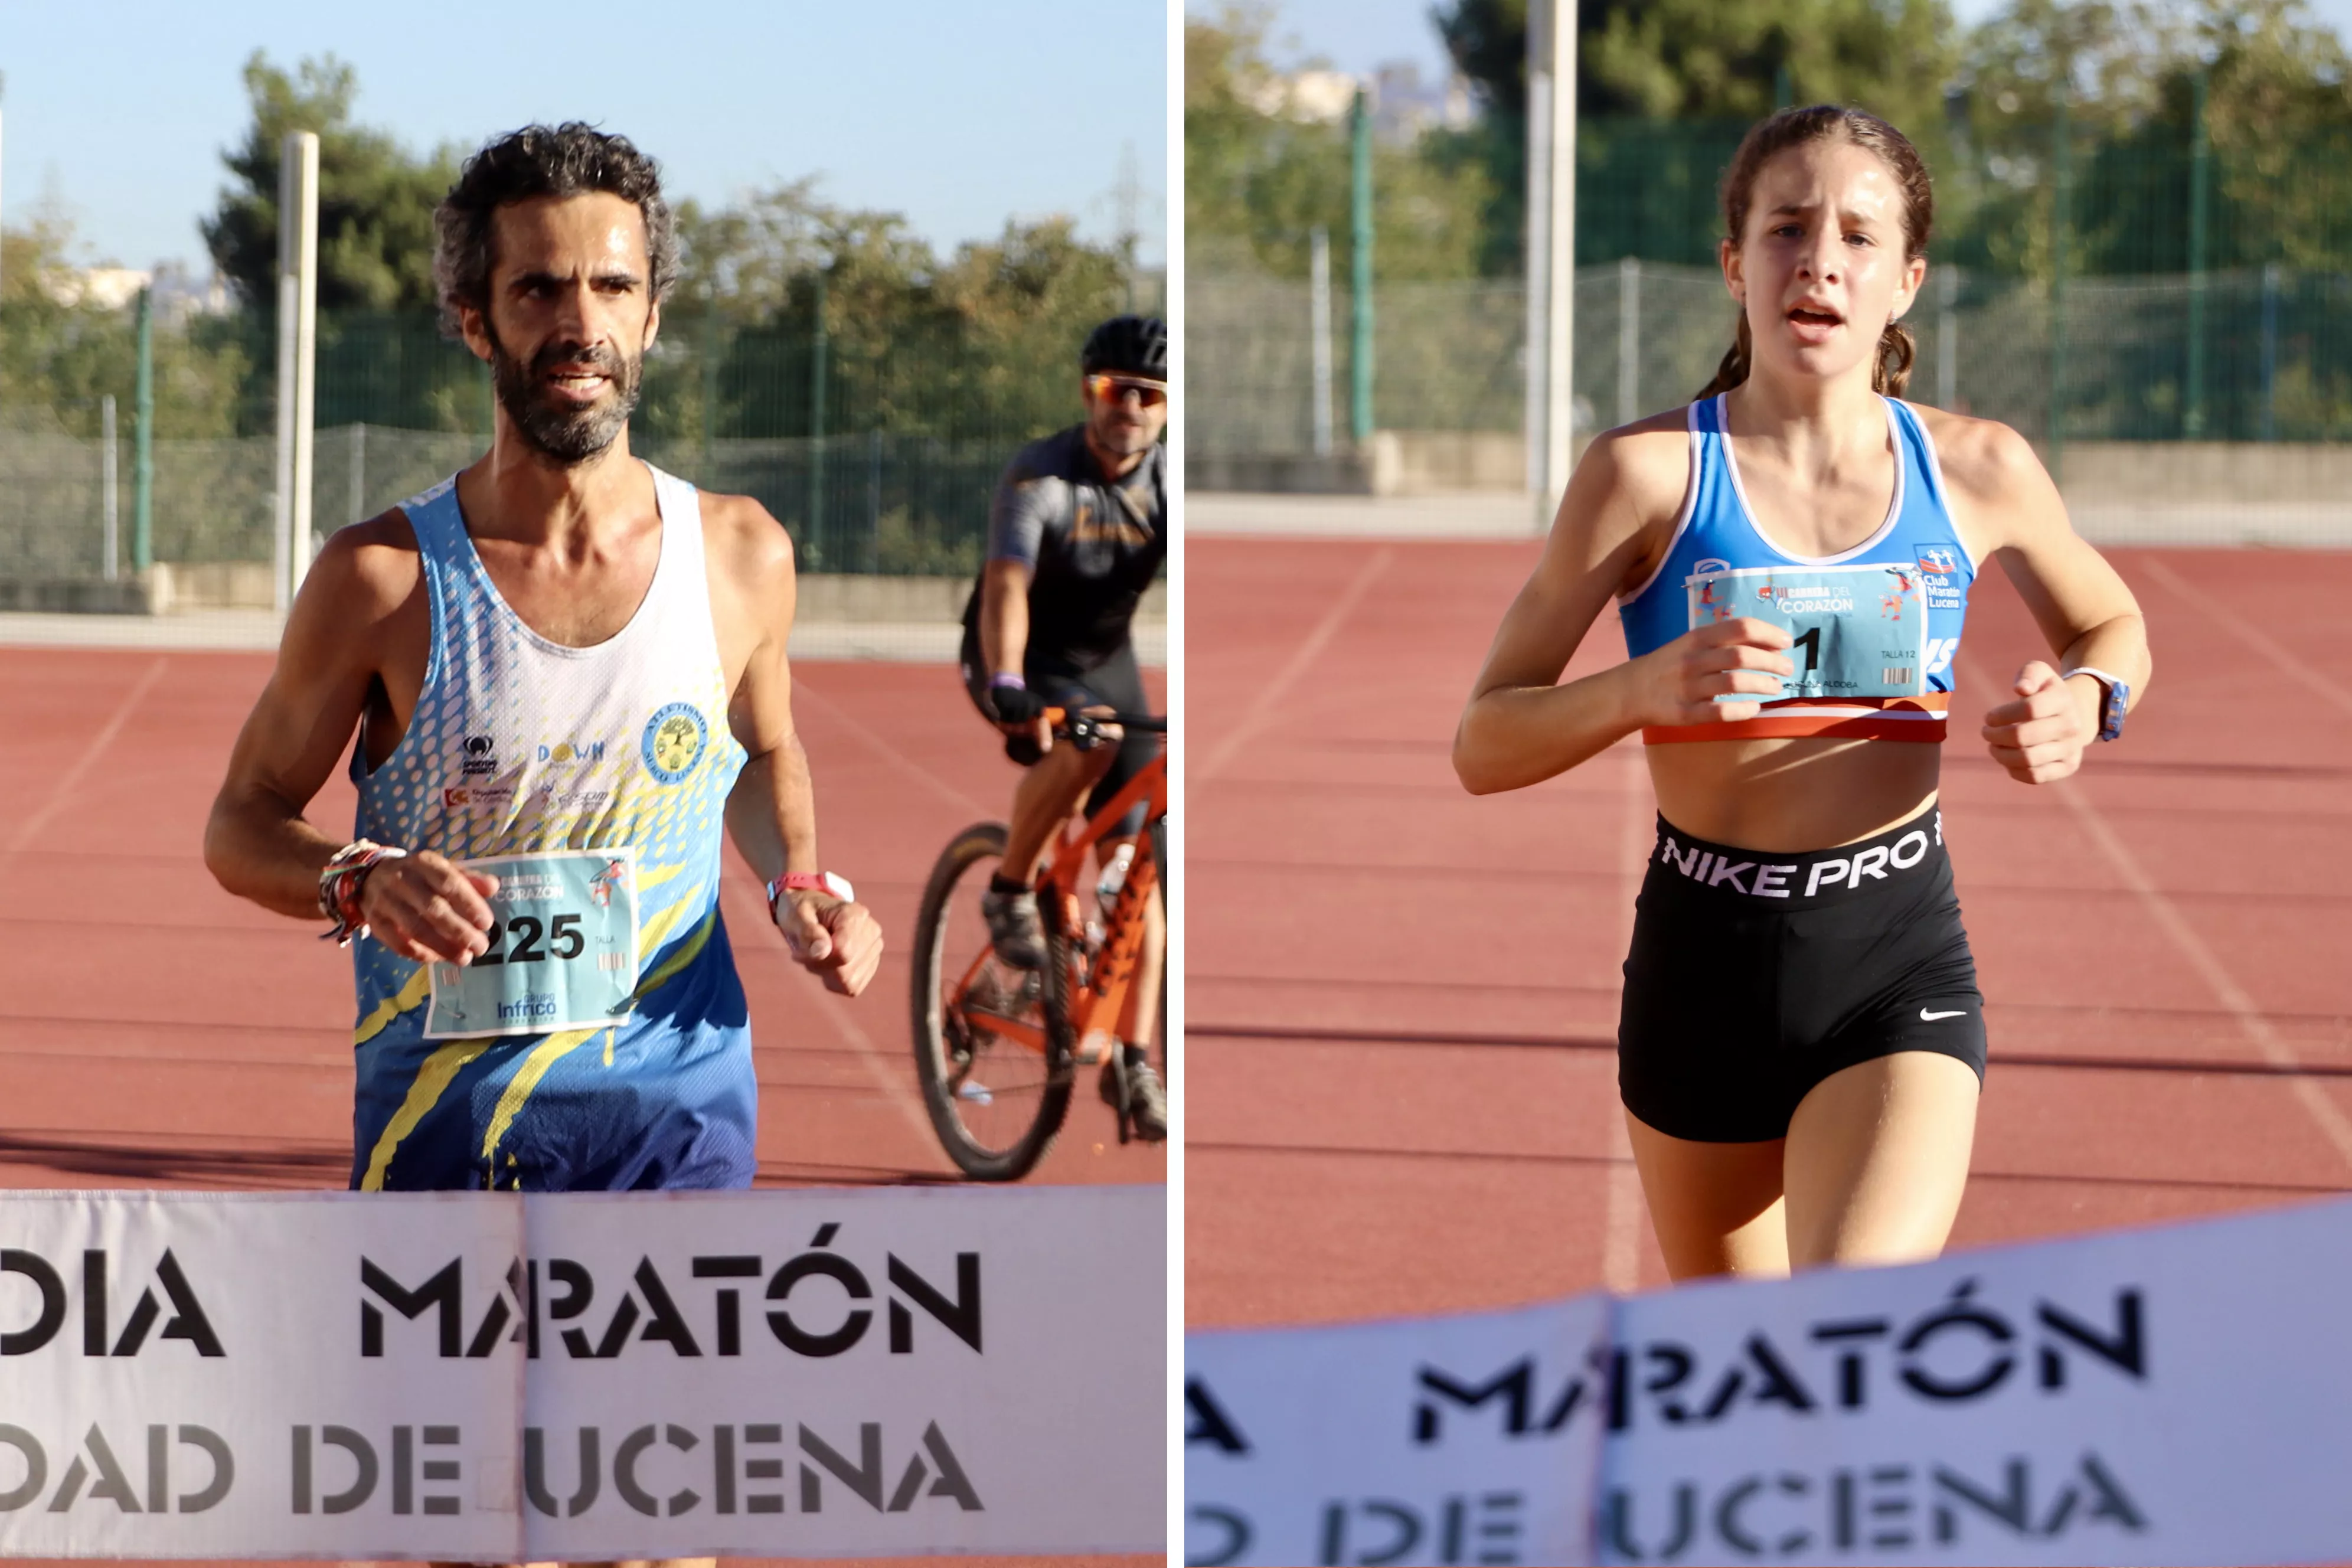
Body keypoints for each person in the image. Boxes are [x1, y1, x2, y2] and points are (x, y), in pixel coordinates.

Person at [1453, 106, 2151, 1280]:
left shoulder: (1978, 468)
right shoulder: (1647, 475)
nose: (1820, 258)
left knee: (1848, 1323)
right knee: (1745, 1385)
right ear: (1736, 265)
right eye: (1786, 228)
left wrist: (2089, 698)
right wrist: (1645, 686)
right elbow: (1486, 739)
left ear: (1907, 282)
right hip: (1701, 961)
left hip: (1893, 952)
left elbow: (2112, 622)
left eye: (1858, 236)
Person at [204, 122, 883, 1195]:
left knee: (681, 1372)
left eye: (613, 287)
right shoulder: (381, 578)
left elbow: (760, 750)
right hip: (441, 1125)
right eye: (539, 291)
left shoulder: (742, 555)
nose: (581, 324)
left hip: (680, 1106)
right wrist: (359, 882)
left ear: (652, 316)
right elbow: (241, 819)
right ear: (476, 321)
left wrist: (800, 881)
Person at [958, 315, 1168, 1141]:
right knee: (1094, 743)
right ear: (1088, 392)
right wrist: (1008, 680)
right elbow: (1007, 585)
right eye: (1113, 390)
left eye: (1149, 396)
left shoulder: (1165, 480)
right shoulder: (1041, 476)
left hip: (1107, 660)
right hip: (1021, 657)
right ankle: (1011, 886)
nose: (1130, 409)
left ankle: (1134, 1061)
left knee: (1139, 864)